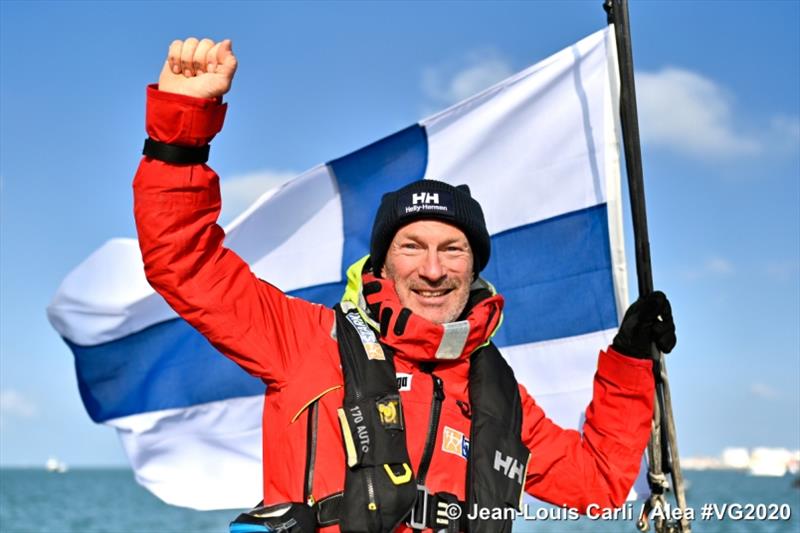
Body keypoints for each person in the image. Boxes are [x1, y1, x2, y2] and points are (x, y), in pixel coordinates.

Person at [133, 38, 677, 533]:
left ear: (475, 267)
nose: (433, 269)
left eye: (453, 249)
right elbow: (181, 261)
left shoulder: (497, 391)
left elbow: (596, 485)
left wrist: (630, 360)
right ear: (384, 264)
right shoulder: (305, 340)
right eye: (411, 247)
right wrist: (182, 127)